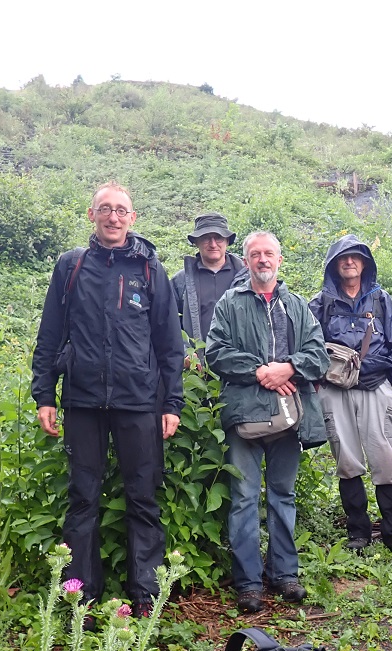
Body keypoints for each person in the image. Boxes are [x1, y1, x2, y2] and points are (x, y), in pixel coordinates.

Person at [31, 181, 184, 620]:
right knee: (83, 497)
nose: (113, 217)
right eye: (105, 209)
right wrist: (45, 394)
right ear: (91, 215)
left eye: (121, 210)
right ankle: (80, 595)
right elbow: (50, 334)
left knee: (143, 497)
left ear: (132, 218)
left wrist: (171, 403)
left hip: (139, 401)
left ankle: (146, 595)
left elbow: (169, 343)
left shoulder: (149, 268)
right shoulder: (72, 266)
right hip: (82, 400)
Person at [205, 231, 329, 613]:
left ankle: (284, 574)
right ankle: (248, 583)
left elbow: (319, 355)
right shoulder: (230, 303)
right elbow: (216, 352)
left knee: (282, 494)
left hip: (289, 416)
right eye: (255, 254)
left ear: (279, 259)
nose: (262, 259)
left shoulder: (297, 305)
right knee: (244, 498)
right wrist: (260, 371)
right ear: (246, 261)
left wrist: (289, 367)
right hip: (244, 415)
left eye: (269, 253)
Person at [310, 235, 392, 552]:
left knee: (385, 457)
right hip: (335, 390)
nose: (349, 262)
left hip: (376, 388)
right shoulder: (320, 304)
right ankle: (358, 531)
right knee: (347, 460)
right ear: (333, 266)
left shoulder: (381, 300)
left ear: (365, 263)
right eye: (342, 258)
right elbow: (309, 349)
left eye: (355, 257)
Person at [171, 212, 248, 366]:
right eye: (206, 238)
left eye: (218, 238)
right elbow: (168, 322)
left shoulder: (246, 278)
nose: (213, 244)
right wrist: (185, 352)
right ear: (196, 242)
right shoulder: (180, 281)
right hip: (196, 368)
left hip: (240, 366)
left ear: (227, 241)